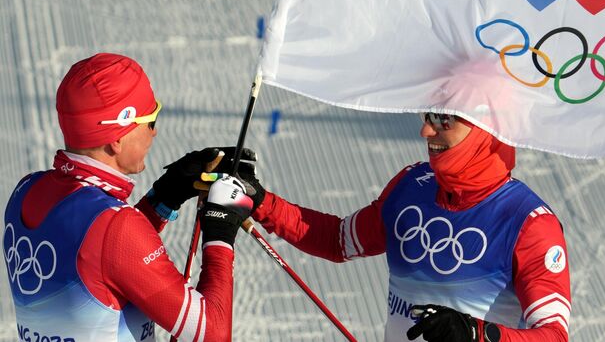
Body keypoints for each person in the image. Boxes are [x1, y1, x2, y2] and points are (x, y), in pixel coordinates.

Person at [242, 113, 571, 342]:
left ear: (486, 128)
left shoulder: (529, 223)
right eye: (427, 116)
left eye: (443, 120)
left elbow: (553, 334)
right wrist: (260, 202)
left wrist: (475, 333)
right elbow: (337, 240)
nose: (426, 132)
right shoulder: (413, 185)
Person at [2, 53, 254, 342]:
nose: (155, 131)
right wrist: (220, 233)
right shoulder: (115, 228)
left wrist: (166, 195)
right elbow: (213, 331)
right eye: (150, 120)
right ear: (116, 138)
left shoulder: (26, 191)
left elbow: (99, 259)